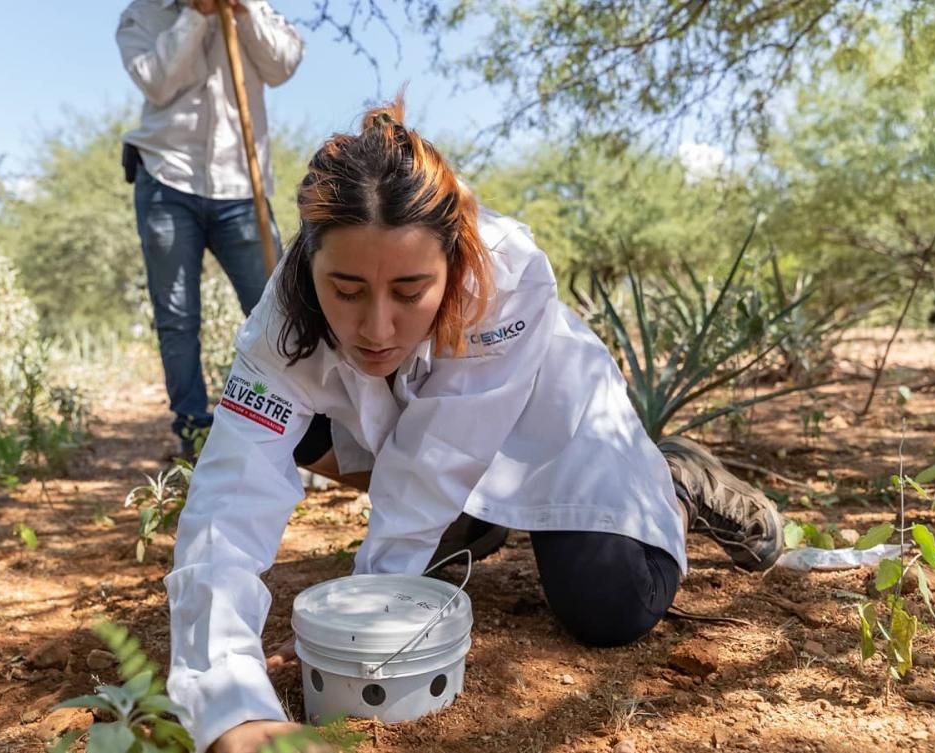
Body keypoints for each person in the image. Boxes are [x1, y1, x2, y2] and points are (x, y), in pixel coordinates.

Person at [164, 100, 785, 753]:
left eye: (410, 291)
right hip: (423, 435)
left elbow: (441, 454)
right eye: (345, 290)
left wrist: (360, 615)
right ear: (309, 261)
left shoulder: (509, 278)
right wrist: (228, 701)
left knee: (610, 603)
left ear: (453, 265)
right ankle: (479, 519)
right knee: (337, 474)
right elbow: (228, 501)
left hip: (548, 420)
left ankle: (674, 478)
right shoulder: (280, 325)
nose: (376, 329)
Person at [116, 0, 304, 456]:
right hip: (166, 178)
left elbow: (283, 64)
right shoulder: (140, 15)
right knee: (177, 317)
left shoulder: (255, 6)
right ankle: (194, 433)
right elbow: (158, 82)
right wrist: (197, 16)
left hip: (242, 184)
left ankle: (303, 430)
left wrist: (243, 13)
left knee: (278, 308)